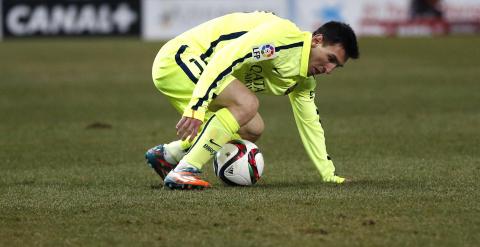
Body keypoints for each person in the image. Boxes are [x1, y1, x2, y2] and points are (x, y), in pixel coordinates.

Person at [145, 11, 359, 190]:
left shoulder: (303, 80)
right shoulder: (282, 37)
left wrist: (328, 174)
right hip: (180, 59)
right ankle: (185, 169)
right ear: (317, 40)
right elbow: (225, 58)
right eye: (330, 59)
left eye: (336, 66)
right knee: (247, 103)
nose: (329, 70)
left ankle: (169, 155)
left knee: (252, 128)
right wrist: (197, 106)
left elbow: (310, 123)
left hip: (202, 70)